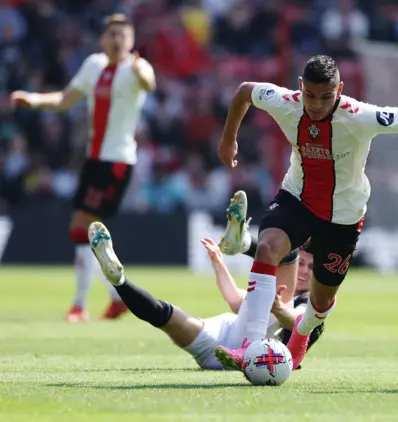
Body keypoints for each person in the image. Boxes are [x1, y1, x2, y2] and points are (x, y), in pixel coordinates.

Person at [214, 54, 398, 371]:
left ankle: (298, 339)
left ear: (339, 89)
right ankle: (250, 347)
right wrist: (228, 139)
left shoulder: (359, 116)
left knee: (320, 304)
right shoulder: (286, 102)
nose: (316, 105)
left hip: (343, 216)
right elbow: (246, 90)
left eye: (326, 97)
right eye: (310, 96)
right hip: (297, 198)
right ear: (300, 87)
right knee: (268, 245)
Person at [10, 14, 156, 322]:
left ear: (131, 42)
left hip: (118, 161)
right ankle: (115, 298)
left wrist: (142, 69)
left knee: (82, 225)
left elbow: (149, 82)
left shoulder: (136, 69)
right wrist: (33, 100)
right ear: (103, 39)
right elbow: (65, 100)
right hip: (94, 159)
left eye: (123, 35)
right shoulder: (93, 65)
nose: (117, 40)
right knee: (85, 228)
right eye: (112, 34)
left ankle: (81, 304)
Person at [87, 219, 323, 370]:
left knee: (287, 249)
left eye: (310, 268)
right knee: (163, 315)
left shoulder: (308, 302)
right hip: (222, 339)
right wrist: (219, 264)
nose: (303, 272)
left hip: (256, 355)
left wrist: (279, 309)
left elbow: (302, 324)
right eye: (302, 264)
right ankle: (119, 281)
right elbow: (235, 300)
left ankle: (242, 243)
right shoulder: (271, 297)